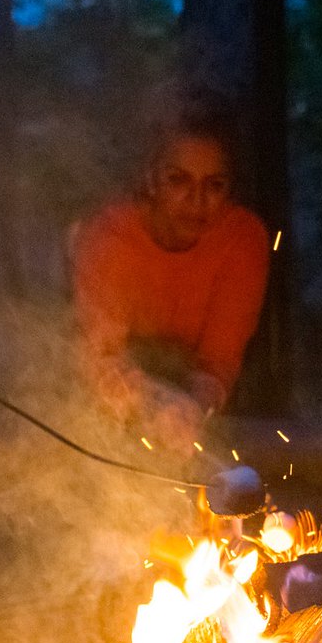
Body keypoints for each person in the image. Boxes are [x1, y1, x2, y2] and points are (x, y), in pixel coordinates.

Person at [70, 91, 270, 453]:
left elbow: (220, 361)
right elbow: (100, 357)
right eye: (178, 180)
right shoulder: (111, 237)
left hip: (208, 412)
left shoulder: (241, 240)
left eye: (214, 185)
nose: (196, 201)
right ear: (150, 178)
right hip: (106, 415)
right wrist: (153, 401)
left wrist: (191, 408)